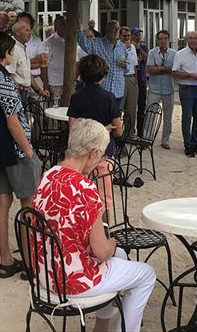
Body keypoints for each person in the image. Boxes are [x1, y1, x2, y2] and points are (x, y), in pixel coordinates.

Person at [32, 119, 156, 332]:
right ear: (92, 153)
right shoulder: (85, 188)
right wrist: (113, 243)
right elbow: (101, 252)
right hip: (73, 281)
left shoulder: (48, 175)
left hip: (46, 273)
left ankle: (102, 325)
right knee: (146, 274)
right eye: (101, 155)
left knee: (122, 259)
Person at [0, 31, 42, 279]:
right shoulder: (2, 81)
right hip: (15, 150)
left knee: (2, 201)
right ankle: (30, 262)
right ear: (5, 53)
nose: (14, 52)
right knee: (29, 205)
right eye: (11, 49)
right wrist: (28, 150)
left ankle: (6, 259)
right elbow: (13, 122)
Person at [172, 31, 197, 157]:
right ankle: (187, 144)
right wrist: (189, 75)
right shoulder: (180, 54)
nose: (193, 40)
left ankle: (195, 143)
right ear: (186, 40)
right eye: (191, 38)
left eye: (195, 38)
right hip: (187, 88)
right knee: (187, 117)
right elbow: (175, 73)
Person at [77, 19, 128, 107]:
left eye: (118, 29)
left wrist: (125, 66)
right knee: (100, 119)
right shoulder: (97, 43)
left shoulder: (122, 46)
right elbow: (83, 42)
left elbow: (127, 67)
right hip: (102, 90)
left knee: (115, 118)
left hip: (118, 90)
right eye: (114, 29)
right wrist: (79, 28)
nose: (116, 31)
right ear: (107, 30)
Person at [41, 16, 86, 103]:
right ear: (56, 26)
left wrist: (74, 80)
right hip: (55, 84)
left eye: (66, 23)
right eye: (62, 24)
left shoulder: (73, 41)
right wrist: (46, 86)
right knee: (54, 111)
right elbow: (43, 65)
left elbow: (76, 62)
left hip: (70, 84)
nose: (66, 26)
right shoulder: (49, 42)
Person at [147, 30, 176, 150]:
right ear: (157, 40)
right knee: (150, 114)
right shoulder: (152, 52)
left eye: (165, 39)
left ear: (168, 40)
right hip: (154, 89)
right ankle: (147, 138)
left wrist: (158, 68)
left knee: (168, 116)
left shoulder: (174, 53)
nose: (163, 41)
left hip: (168, 89)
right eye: (161, 39)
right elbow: (150, 70)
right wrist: (165, 69)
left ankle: (165, 140)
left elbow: (174, 70)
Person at [8, 20, 49, 105]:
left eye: (30, 30)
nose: (30, 33)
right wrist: (14, 95)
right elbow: (9, 74)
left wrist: (39, 91)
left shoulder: (22, 47)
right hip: (16, 93)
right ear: (17, 32)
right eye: (26, 30)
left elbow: (27, 73)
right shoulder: (13, 48)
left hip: (24, 93)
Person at [17, 12, 47, 99]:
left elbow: (42, 62)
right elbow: (17, 66)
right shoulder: (12, 42)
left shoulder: (37, 41)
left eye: (26, 23)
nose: (24, 25)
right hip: (20, 83)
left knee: (38, 108)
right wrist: (34, 61)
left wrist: (24, 64)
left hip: (36, 79)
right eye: (21, 23)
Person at [120, 26, 139, 135]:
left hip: (132, 79)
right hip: (121, 79)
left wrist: (135, 79)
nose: (127, 38)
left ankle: (129, 133)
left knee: (131, 109)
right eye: (124, 36)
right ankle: (117, 133)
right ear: (120, 36)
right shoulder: (117, 46)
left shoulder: (132, 47)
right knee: (119, 108)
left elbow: (135, 65)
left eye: (128, 36)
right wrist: (123, 48)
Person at [131, 27, 149, 136]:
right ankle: (130, 130)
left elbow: (147, 59)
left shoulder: (143, 46)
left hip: (142, 79)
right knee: (131, 107)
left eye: (139, 35)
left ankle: (140, 131)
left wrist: (139, 49)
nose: (138, 37)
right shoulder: (128, 46)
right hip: (132, 79)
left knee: (141, 106)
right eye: (136, 35)